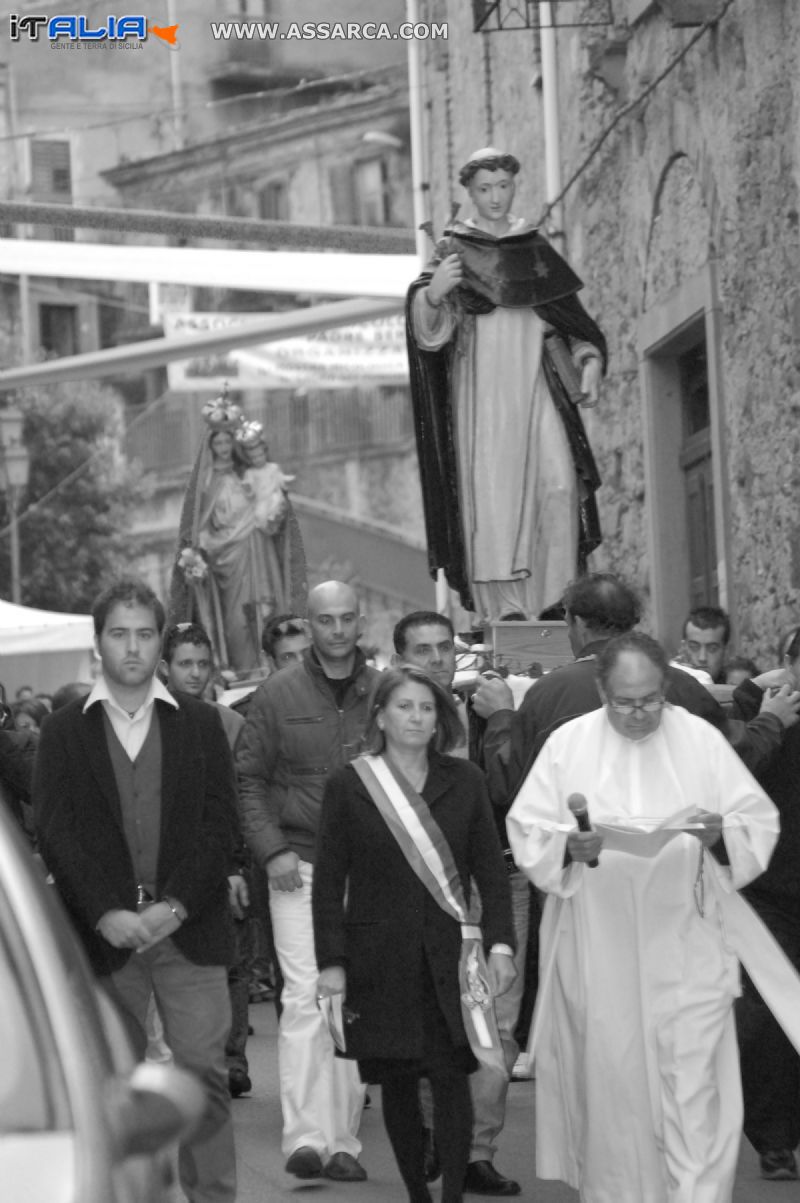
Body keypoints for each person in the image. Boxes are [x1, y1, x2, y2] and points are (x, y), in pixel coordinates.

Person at [506, 631, 779, 1202]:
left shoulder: (699, 740)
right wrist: (568, 850)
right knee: (616, 1087)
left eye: (651, 699)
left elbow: (757, 820)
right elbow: (529, 827)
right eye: (626, 702)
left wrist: (719, 834)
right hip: (599, 947)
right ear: (603, 690)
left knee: (695, 1085)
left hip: (687, 940)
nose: (639, 714)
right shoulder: (567, 744)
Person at [33, 579, 239, 1203]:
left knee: (203, 1074)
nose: (132, 646)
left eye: (144, 634)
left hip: (190, 927)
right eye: (119, 634)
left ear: (160, 642)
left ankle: (212, 1197)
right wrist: (103, 913)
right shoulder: (65, 732)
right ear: (98, 644)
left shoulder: (201, 725)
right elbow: (57, 831)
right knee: (115, 1084)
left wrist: (177, 905)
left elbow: (220, 825)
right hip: (106, 937)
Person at [313, 664, 516, 1203]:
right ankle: (417, 1196)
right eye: (403, 706)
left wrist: (500, 945)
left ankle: (451, 1194)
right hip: (377, 958)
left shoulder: (465, 781)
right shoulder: (350, 785)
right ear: (379, 715)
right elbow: (329, 881)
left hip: (450, 957)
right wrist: (331, 962)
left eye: (427, 708)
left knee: (452, 1077)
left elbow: (490, 873)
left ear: (440, 719)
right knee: (400, 1081)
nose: (416, 717)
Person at [406, 146, 606, 621]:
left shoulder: (531, 248)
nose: (495, 198)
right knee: (492, 506)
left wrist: (590, 357)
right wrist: (434, 293)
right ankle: (506, 613)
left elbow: (570, 321)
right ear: (470, 194)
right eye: (484, 189)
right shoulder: (454, 249)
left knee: (558, 486)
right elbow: (428, 335)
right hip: (480, 397)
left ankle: (557, 601)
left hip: (534, 388)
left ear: (515, 185)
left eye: (503, 186)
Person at [236, 580, 379, 1182]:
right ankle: (304, 1137)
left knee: (348, 997)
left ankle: (343, 1139)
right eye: (327, 620)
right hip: (298, 863)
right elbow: (247, 780)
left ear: (360, 622)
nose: (338, 630)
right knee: (302, 997)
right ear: (310, 624)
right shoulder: (277, 693)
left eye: (348, 618)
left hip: (369, 869)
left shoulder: (385, 691)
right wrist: (271, 852)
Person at [394, 610, 525, 1196]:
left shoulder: (489, 711)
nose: (438, 660)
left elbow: (512, 789)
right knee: (433, 1014)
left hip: (497, 877)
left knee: (497, 1017)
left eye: (445, 648)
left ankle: (477, 1151)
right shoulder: (391, 724)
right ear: (400, 658)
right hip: (421, 886)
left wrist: (502, 721)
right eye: (422, 650)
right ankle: (429, 1136)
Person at [481, 573, 800, 803]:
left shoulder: (547, 694)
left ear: (577, 624)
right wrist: (769, 716)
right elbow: (731, 757)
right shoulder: (681, 685)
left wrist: (500, 717)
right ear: (632, 622)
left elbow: (508, 787)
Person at [160, 620, 253, 1099]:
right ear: (166, 668)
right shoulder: (150, 720)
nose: (194, 674)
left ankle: (230, 1060)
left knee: (231, 961)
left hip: (219, 859)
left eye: (202, 664)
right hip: (167, 868)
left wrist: (236, 864)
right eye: (185, 664)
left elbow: (234, 799)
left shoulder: (228, 722)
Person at [169, 393, 306, 673]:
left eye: (227, 440)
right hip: (226, 563)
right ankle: (244, 669)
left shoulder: (250, 475)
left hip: (258, 550)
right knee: (236, 621)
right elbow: (199, 530)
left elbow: (271, 509)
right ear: (210, 445)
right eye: (217, 441)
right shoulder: (206, 486)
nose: (222, 446)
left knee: (265, 609)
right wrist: (197, 558)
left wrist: (275, 513)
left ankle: (270, 665)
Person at [733, 624, 800, 1181]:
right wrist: (772, 719)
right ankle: (775, 1141)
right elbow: (732, 781)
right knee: (768, 1016)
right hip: (770, 889)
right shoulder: (758, 708)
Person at [674, 604, 731, 684]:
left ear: (726, 652)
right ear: (683, 648)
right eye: (694, 647)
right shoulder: (665, 689)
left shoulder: (736, 690)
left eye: (712, 649)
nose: (702, 658)